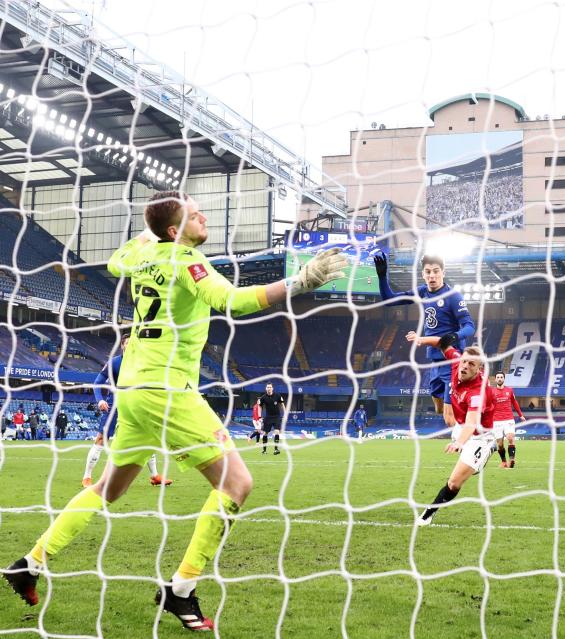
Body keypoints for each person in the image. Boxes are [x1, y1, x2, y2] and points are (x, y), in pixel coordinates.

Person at [3, 191, 347, 631]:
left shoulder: (142, 255)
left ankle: (29, 563)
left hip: (133, 386)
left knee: (108, 487)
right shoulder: (186, 261)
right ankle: (181, 590)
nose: (202, 214)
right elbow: (234, 302)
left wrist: (152, 230)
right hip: (167, 389)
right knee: (237, 484)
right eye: (192, 212)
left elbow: (114, 263)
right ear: (174, 230)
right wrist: (300, 282)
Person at [374, 252, 475, 433]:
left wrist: (454, 336)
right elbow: (389, 300)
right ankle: (471, 415)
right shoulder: (422, 292)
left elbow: (469, 326)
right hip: (435, 362)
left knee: (448, 415)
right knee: (438, 408)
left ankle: (468, 445)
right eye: (428, 272)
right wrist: (382, 276)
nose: (432, 275)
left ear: (443, 272)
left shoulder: (453, 296)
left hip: (452, 361)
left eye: (436, 271)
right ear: (423, 274)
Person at [409, 334, 496, 526]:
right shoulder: (458, 363)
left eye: (471, 365)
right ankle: (471, 456)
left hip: (479, 436)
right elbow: (443, 344)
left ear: (478, 369)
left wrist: (459, 443)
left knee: (454, 483)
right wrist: (421, 339)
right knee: (451, 423)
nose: (465, 366)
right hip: (460, 426)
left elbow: (472, 423)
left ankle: (428, 514)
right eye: (464, 361)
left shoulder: (477, 392)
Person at [83, 334, 172, 488]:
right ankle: (87, 477)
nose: (130, 346)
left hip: (137, 405)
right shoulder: (115, 363)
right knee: (101, 439)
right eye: (127, 343)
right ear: (122, 345)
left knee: (148, 438)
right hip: (115, 406)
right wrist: (100, 400)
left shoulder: (143, 363)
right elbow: (97, 383)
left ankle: (155, 476)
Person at [489, 371, 525, 468]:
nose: (500, 379)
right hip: (496, 420)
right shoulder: (491, 391)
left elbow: (515, 403)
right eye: (498, 377)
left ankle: (512, 460)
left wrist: (520, 415)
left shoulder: (509, 390)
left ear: (504, 379)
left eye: (501, 377)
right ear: (495, 379)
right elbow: (488, 405)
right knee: (500, 444)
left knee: (510, 438)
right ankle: (504, 462)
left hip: (508, 419)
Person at [257, 383, 285, 455]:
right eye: (267, 387)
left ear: (272, 388)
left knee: (277, 432)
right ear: (266, 388)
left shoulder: (277, 396)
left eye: (270, 387)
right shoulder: (263, 397)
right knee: (265, 433)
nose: (269, 388)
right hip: (268, 417)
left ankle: (276, 450)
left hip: (277, 417)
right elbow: (259, 407)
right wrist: (260, 416)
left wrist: (285, 414)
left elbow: (282, 404)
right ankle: (264, 450)